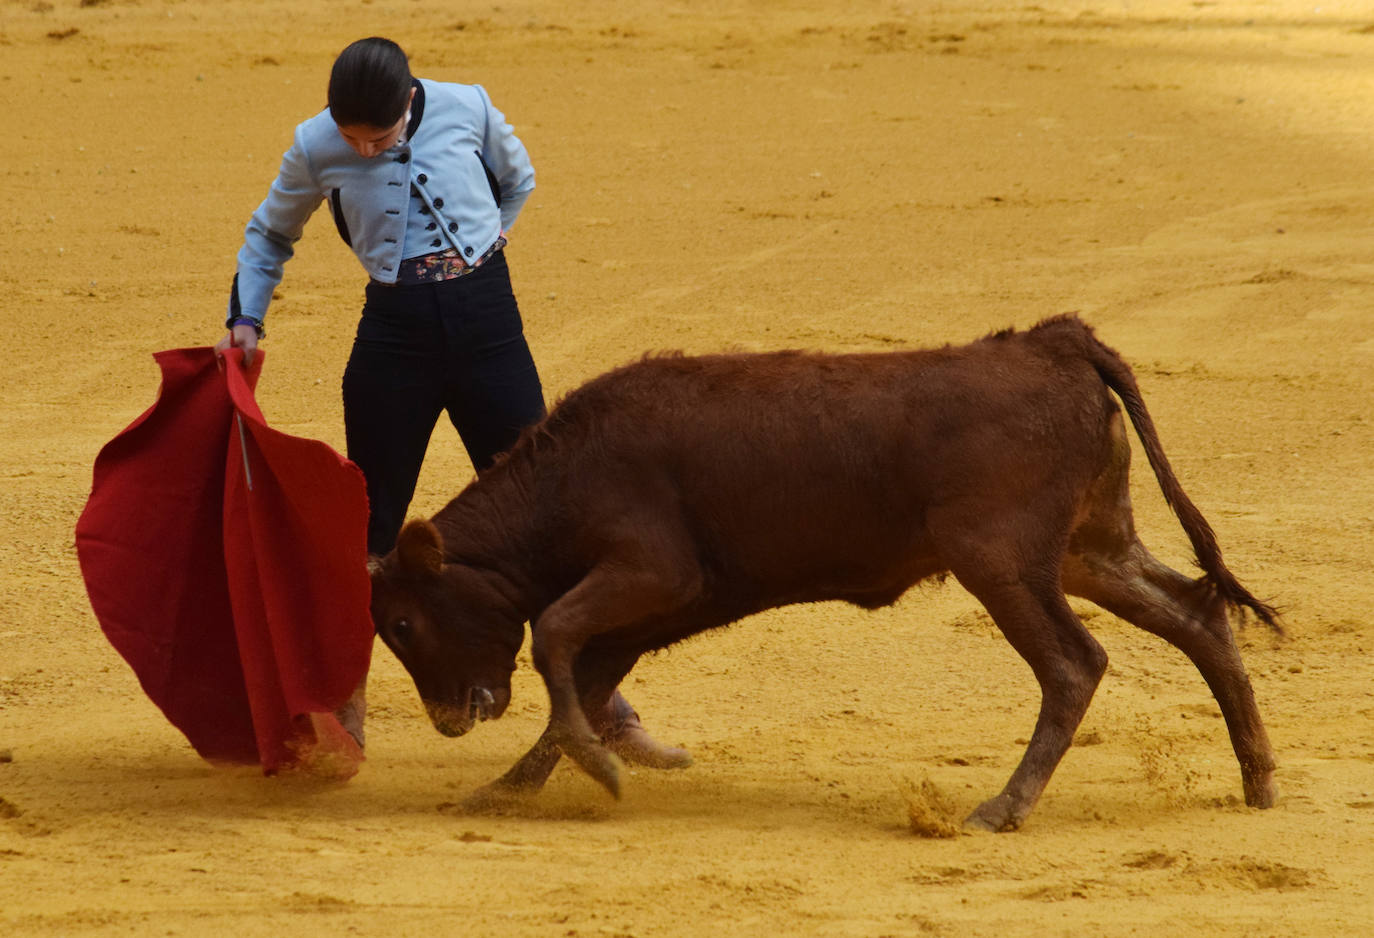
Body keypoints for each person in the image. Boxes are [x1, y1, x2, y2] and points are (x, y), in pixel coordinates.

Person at [216, 37, 688, 770]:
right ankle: (345, 702)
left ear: (409, 104)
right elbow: (269, 233)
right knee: (366, 536)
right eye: (352, 139)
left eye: (379, 137)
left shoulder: (466, 104)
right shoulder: (317, 144)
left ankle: (605, 710)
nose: (364, 151)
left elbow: (518, 178)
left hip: (489, 330)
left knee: (550, 523)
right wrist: (246, 318)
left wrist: (484, 249)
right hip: (394, 340)